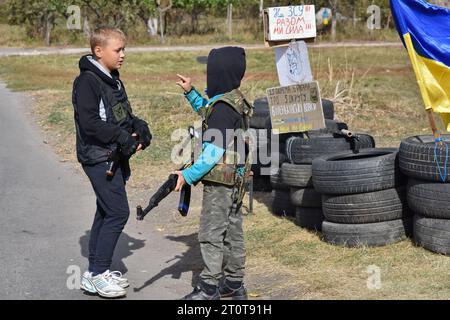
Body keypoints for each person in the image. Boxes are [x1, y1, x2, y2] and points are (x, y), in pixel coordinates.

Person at [71, 26, 152, 298]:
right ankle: (98, 274)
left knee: (105, 212)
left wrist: (140, 128)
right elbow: (90, 124)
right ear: (98, 50)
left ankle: (94, 273)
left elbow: (123, 114)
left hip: (113, 156)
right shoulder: (86, 83)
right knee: (118, 213)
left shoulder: (113, 79)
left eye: (123, 49)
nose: (123, 55)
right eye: (118, 50)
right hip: (98, 158)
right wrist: (121, 137)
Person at [175, 47, 253, 300]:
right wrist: (191, 94)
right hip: (237, 179)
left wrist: (187, 175)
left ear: (219, 73)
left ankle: (208, 287)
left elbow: (211, 154)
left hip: (220, 182)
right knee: (232, 231)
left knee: (211, 233)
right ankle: (233, 283)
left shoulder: (222, 108)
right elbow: (208, 112)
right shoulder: (232, 100)